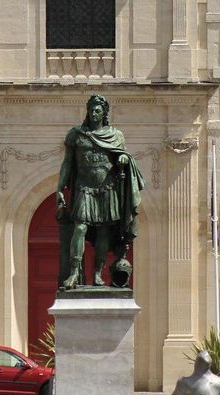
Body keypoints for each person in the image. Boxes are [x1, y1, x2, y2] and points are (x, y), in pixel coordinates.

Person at [55, 94, 145, 289]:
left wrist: (123, 159)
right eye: (92, 110)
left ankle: (97, 273)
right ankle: (74, 272)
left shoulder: (115, 135)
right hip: (83, 187)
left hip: (107, 188)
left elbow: (124, 155)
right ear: (87, 111)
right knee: (79, 228)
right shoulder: (76, 134)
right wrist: (59, 188)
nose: (94, 113)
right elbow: (67, 164)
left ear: (104, 113)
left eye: (98, 110)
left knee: (104, 231)